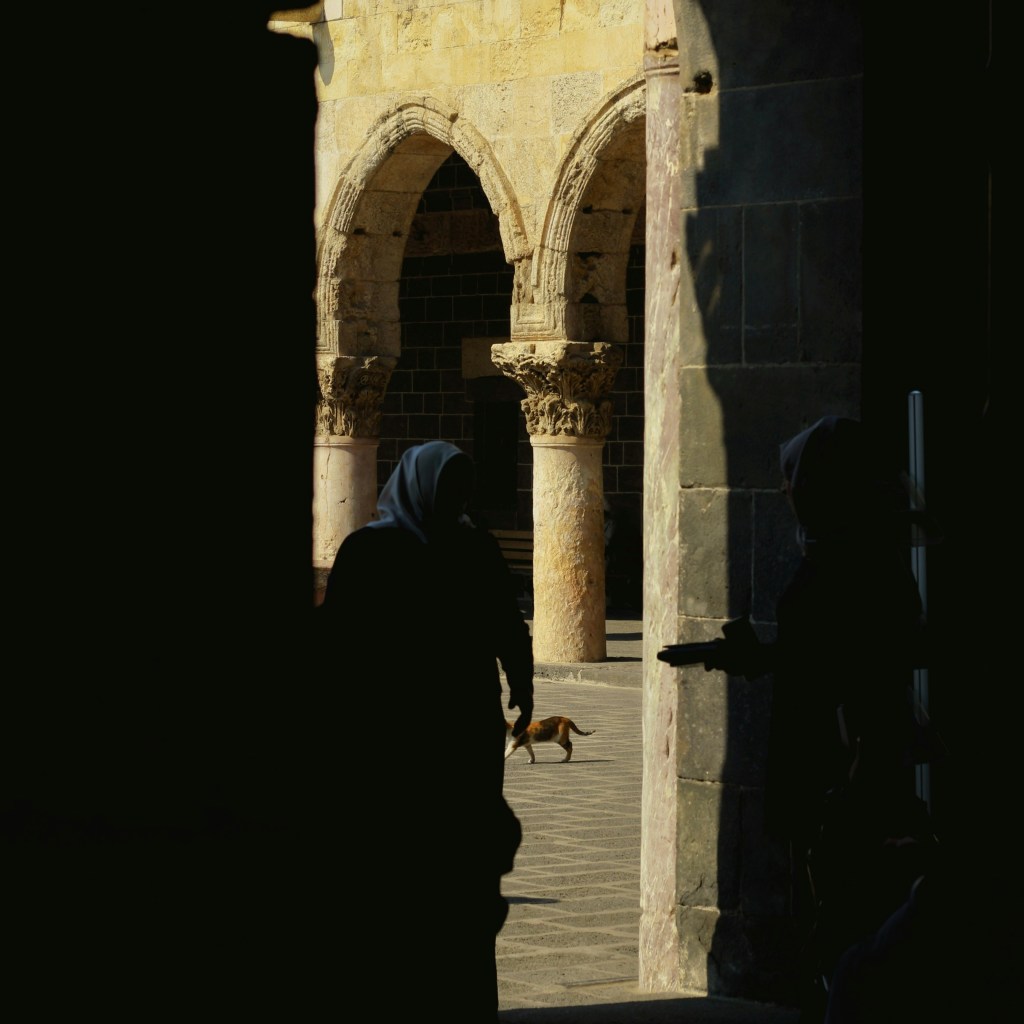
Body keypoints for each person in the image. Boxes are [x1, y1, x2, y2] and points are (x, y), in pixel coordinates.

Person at [701, 416, 941, 1020]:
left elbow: (853, 667)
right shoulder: (856, 552)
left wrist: (854, 778)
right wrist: (758, 657)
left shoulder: (847, 562)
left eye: (794, 476)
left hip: (842, 774)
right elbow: (830, 653)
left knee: (843, 938)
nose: (784, 489)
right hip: (837, 765)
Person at [316, 440, 534, 1018]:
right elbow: (509, 629)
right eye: (452, 487)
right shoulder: (471, 549)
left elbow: (333, 644)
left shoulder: (369, 551)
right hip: (451, 735)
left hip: (395, 739)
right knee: (452, 876)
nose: (457, 498)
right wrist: (522, 684)